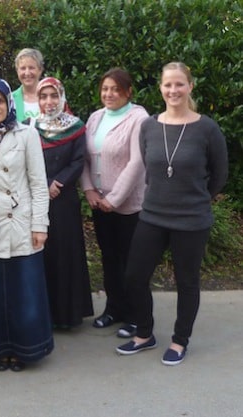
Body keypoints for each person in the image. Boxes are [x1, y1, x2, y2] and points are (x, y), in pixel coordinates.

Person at [116, 62, 228, 365]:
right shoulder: (149, 126)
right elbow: (151, 170)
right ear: (160, 88)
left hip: (191, 220)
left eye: (180, 84)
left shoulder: (207, 128)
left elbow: (220, 173)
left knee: (186, 281)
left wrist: (199, 198)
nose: (173, 90)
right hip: (152, 215)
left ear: (190, 86)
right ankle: (145, 333)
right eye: (168, 84)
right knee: (134, 277)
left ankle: (180, 341)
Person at [0, 78, 53, 372]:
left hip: (22, 222)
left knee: (24, 291)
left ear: (9, 102)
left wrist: (40, 224)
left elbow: (39, 184)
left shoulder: (27, 134)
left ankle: (25, 349)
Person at [80, 68, 149, 337]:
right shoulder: (96, 117)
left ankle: (135, 315)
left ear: (128, 91)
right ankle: (114, 308)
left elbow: (137, 162)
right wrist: (88, 190)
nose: (109, 94)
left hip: (128, 204)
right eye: (105, 89)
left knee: (131, 263)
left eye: (115, 89)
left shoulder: (138, 118)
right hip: (100, 204)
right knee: (109, 259)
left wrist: (115, 198)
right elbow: (84, 157)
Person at [32, 77, 93, 328]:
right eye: (44, 96)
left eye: (53, 96)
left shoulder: (76, 127)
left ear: (62, 96)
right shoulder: (30, 126)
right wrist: (45, 182)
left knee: (66, 253)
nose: (49, 102)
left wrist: (58, 182)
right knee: (42, 253)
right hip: (38, 197)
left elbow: (79, 160)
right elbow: (27, 160)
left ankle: (68, 315)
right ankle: (44, 312)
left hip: (64, 199)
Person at [11, 48, 45, 123]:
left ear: (40, 70)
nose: (27, 73)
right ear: (17, 71)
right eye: (23, 68)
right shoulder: (10, 99)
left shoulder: (53, 97)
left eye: (31, 68)